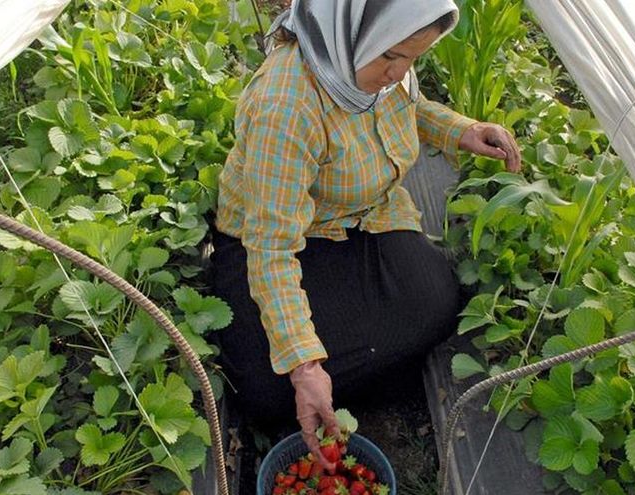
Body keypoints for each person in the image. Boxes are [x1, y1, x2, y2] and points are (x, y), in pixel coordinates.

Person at [205, 0, 521, 470]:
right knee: (263, 387)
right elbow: (271, 248)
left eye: (413, 58)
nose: (399, 72)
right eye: (392, 57)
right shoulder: (287, 107)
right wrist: (305, 365)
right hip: (279, 238)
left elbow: (410, 108)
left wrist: (463, 131)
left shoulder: (372, 58)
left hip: (364, 216)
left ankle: (340, 379)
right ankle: (333, 381)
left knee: (436, 299)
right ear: (349, 31)